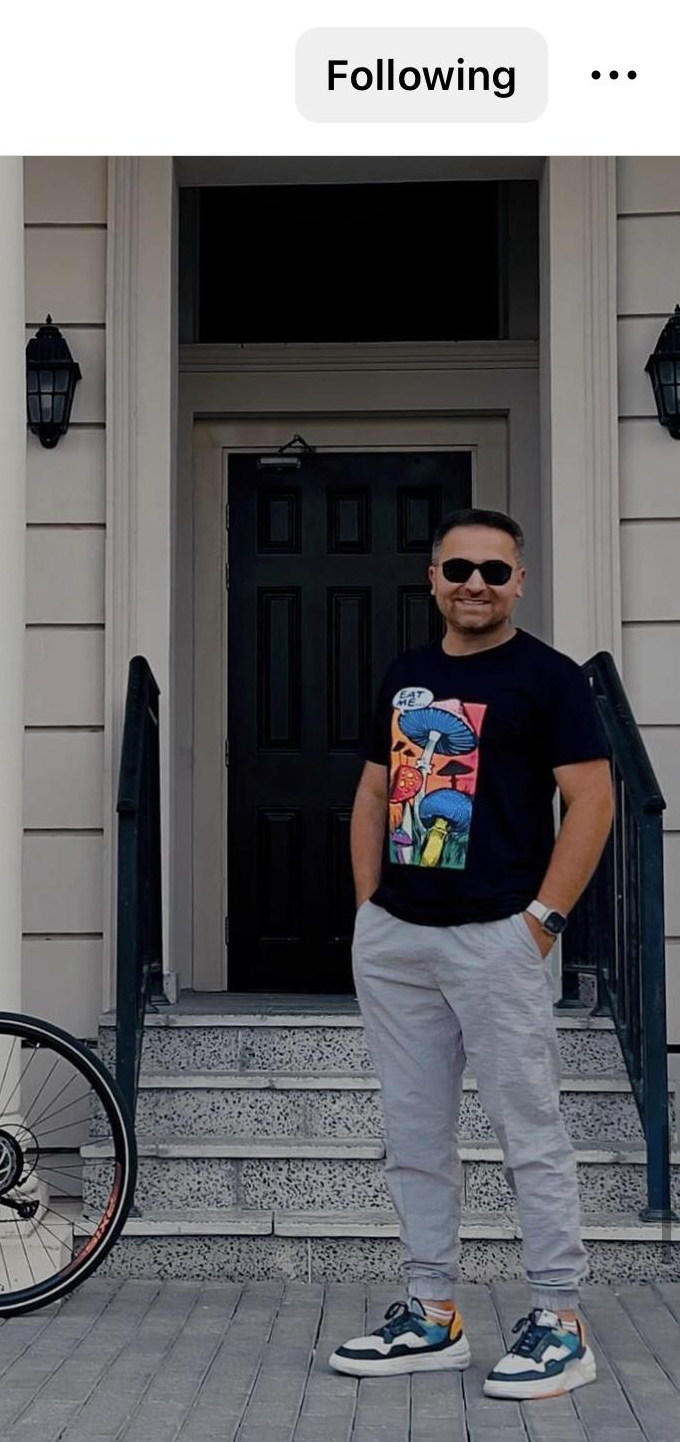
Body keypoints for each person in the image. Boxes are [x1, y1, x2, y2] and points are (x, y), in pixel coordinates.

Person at [328, 507, 613, 1402]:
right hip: (399, 938)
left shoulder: (550, 678)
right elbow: (374, 790)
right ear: (434, 581)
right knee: (414, 1134)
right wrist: (370, 908)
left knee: (530, 1131)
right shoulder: (406, 675)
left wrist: (542, 922)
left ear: (520, 581)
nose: (476, 585)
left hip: (498, 937)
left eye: (494, 570)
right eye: (459, 570)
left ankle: (560, 1321)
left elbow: (594, 802)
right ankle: (432, 1312)